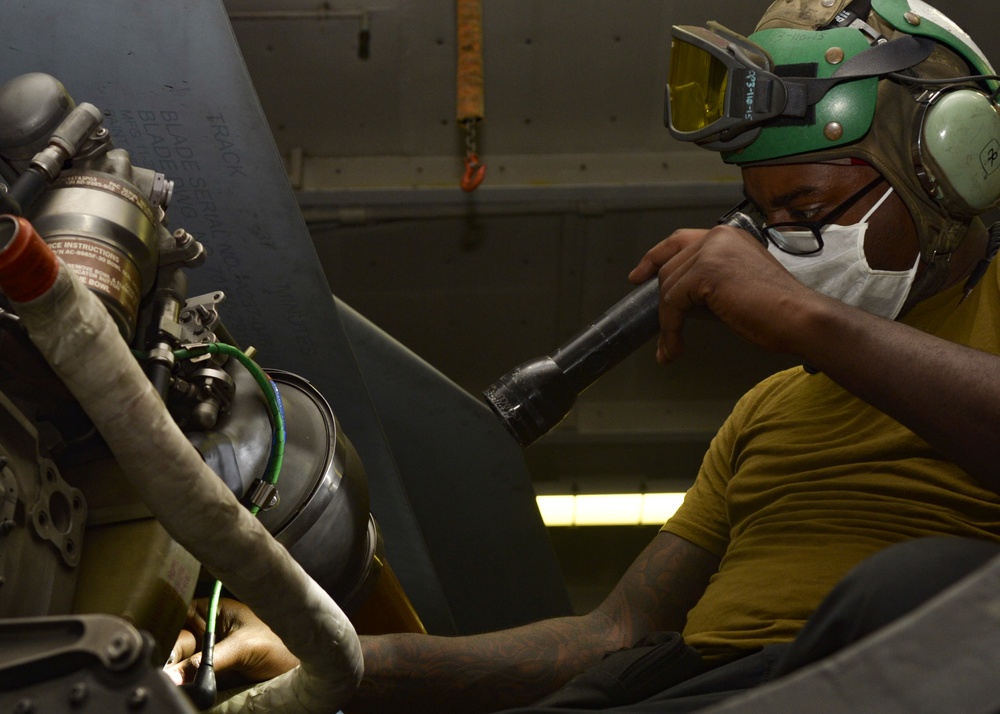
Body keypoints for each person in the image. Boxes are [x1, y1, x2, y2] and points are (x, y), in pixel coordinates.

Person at [167, 0, 1000, 711]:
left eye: (807, 205)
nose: (782, 244)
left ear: (947, 168)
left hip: (880, 669)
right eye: (762, 215)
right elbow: (609, 634)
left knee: (907, 591)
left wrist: (798, 314)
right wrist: (323, 655)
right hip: (690, 689)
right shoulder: (768, 412)